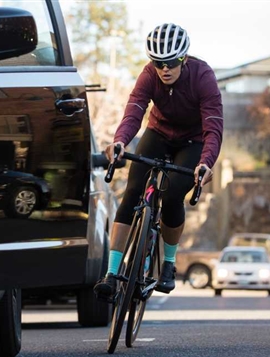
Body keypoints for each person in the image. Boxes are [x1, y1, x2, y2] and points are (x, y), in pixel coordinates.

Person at [94, 23, 223, 300]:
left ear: (184, 58)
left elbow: (213, 126)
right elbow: (134, 111)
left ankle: (168, 264)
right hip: (158, 134)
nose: (165, 69)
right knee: (131, 193)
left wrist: (206, 162)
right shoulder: (149, 75)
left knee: (174, 195)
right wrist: (120, 142)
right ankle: (112, 273)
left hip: (193, 141)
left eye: (172, 62)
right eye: (158, 62)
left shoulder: (203, 77)